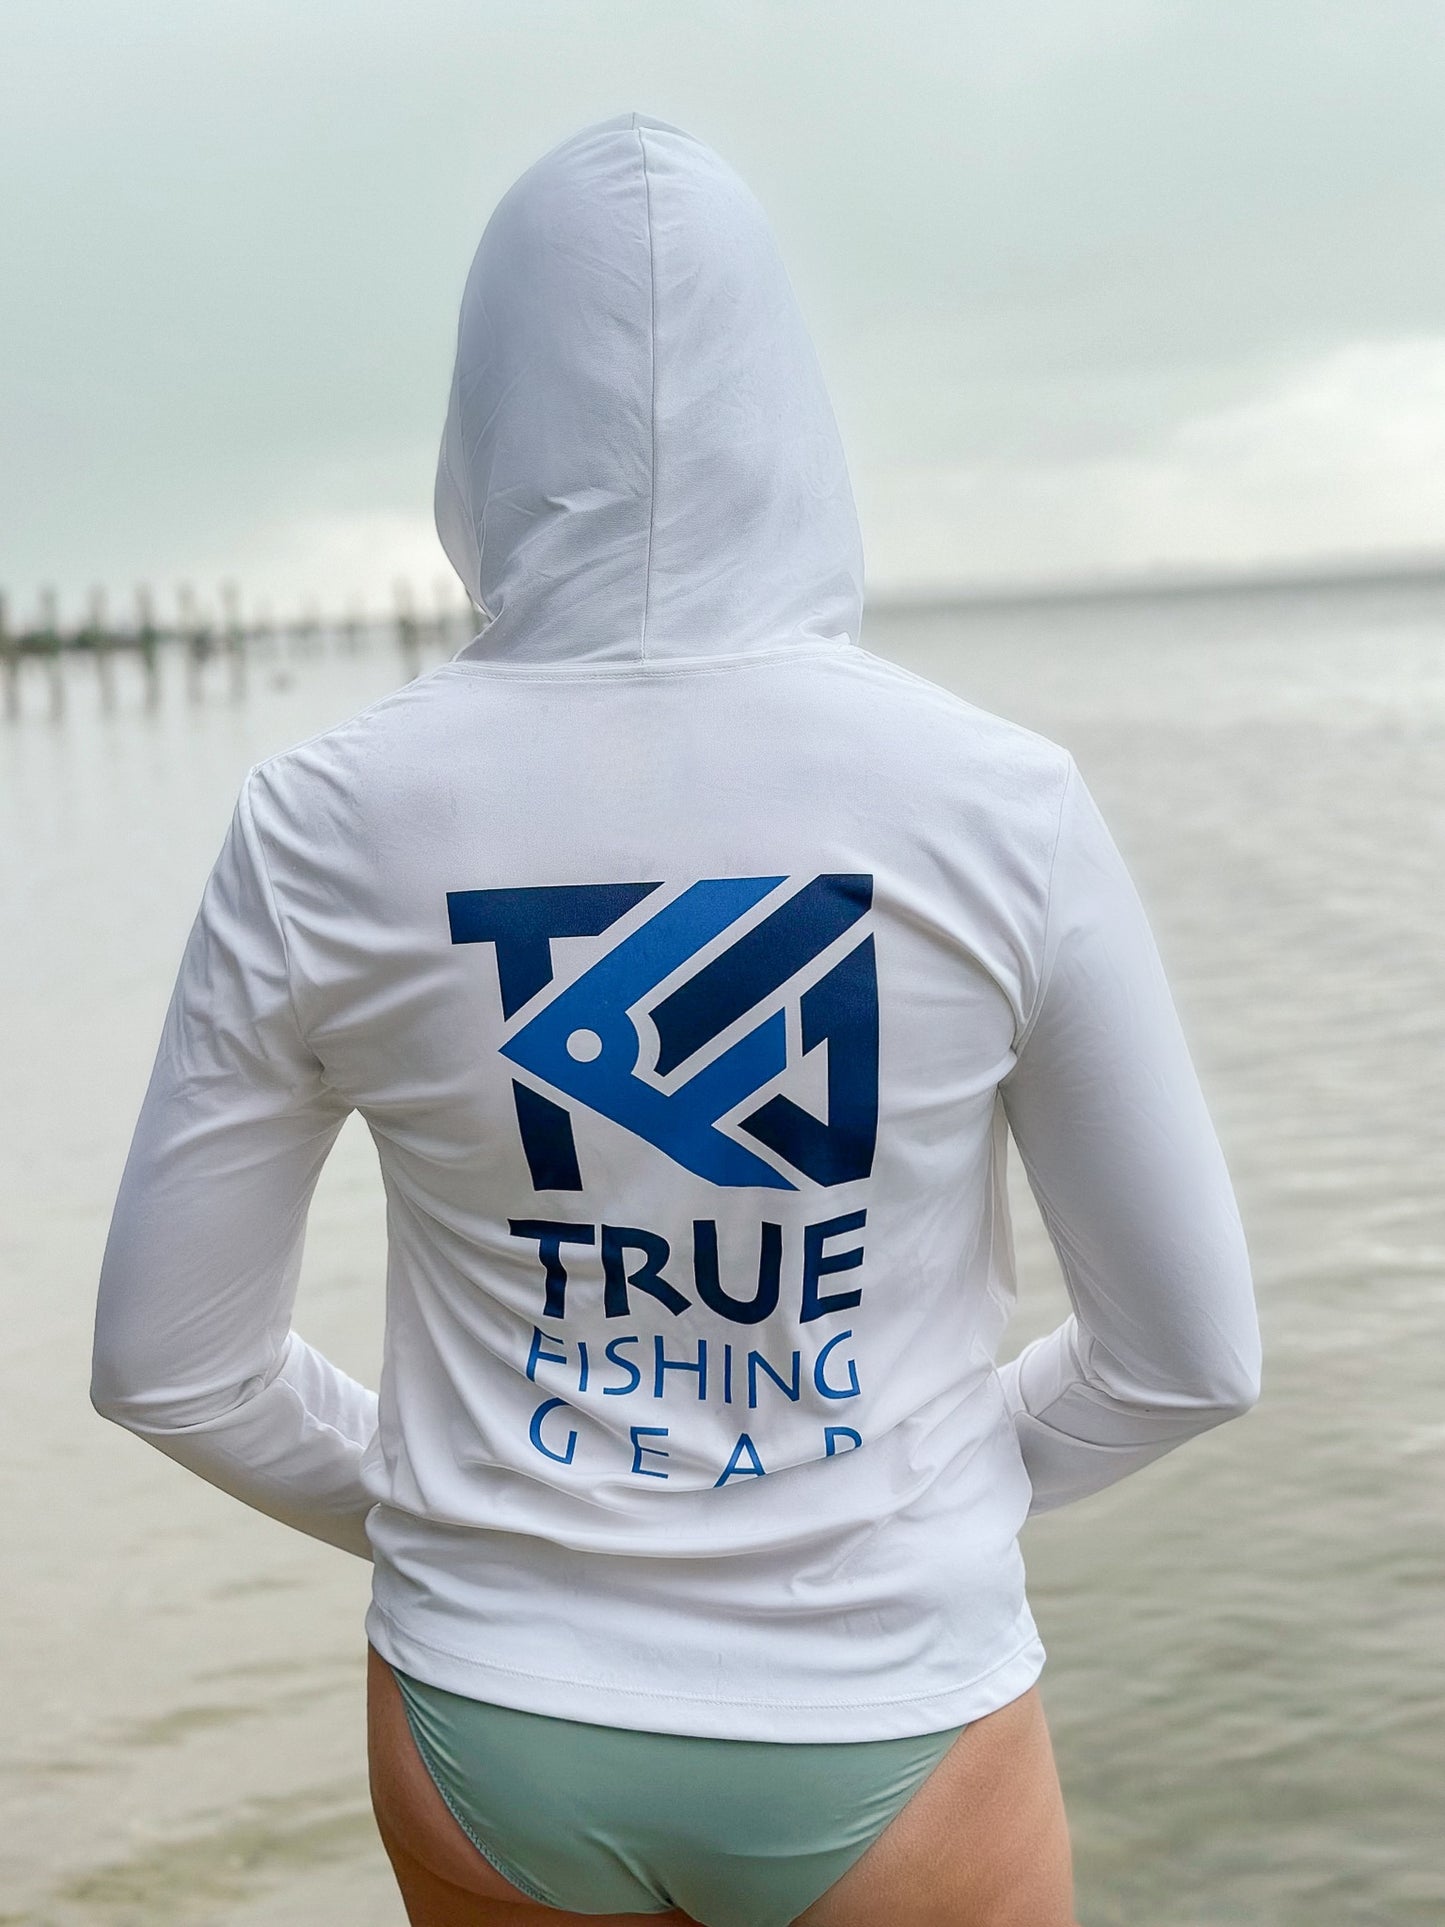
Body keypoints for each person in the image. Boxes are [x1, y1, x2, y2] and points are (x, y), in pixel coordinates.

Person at [91, 112, 1262, 1927]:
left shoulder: (321, 819)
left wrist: (462, 1520)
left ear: (474, 430)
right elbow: (1187, 1357)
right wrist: (902, 1496)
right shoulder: (995, 803)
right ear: (794, 415)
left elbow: (172, 1366)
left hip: (493, 1720)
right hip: (890, 1706)